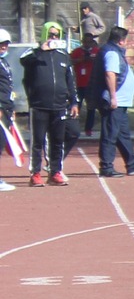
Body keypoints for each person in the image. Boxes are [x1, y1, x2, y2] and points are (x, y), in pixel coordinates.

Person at [21, 22, 77, 186]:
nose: (53, 38)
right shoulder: (34, 53)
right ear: (45, 34)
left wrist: (74, 101)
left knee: (57, 140)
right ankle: (35, 174)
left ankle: (55, 172)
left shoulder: (64, 56)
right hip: (39, 105)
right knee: (38, 141)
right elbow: (23, 61)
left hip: (59, 105)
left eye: (56, 35)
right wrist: (41, 50)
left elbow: (71, 81)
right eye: (51, 34)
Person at [96, 26, 134, 178]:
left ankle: (132, 164)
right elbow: (110, 74)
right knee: (110, 134)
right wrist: (113, 97)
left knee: (122, 134)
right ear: (121, 40)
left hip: (122, 102)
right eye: (126, 40)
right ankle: (106, 166)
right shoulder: (112, 53)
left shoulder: (115, 51)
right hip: (115, 102)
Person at [71, 32, 97, 135]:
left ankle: (88, 129)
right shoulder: (77, 51)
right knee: (77, 107)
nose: (87, 44)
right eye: (85, 42)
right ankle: (74, 128)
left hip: (91, 84)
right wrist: (80, 60)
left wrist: (92, 59)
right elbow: (70, 61)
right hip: (79, 83)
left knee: (91, 107)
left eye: (89, 42)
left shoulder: (96, 51)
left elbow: (101, 63)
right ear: (82, 42)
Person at [0, 28, 16, 192]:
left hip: (6, 108)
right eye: (1, 44)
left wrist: (11, 108)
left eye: (5, 44)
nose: (3, 47)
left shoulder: (4, 62)